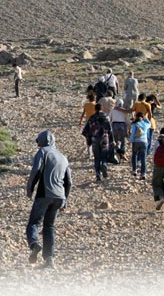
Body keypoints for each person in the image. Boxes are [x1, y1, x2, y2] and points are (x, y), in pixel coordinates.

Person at [25, 130, 72, 268]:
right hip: (59, 196)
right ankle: (49, 260)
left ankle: (34, 245)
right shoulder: (63, 157)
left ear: (41, 141)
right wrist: (65, 200)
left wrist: (30, 188)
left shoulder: (43, 152)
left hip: (45, 193)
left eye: (37, 141)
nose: (37, 144)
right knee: (49, 226)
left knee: (33, 223)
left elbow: (36, 170)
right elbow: (69, 182)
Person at [82, 103, 114, 182]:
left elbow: (86, 131)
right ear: (101, 108)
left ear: (95, 109)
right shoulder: (106, 117)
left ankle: (98, 176)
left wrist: (89, 140)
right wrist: (112, 140)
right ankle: (104, 165)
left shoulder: (92, 118)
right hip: (104, 138)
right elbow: (110, 130)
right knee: (104, 156)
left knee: (97, 158)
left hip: (95, 139)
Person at [129, 111, 150, 179]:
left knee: (134, 155)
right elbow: (149, 123)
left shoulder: (135, 124)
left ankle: (134, 170)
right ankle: (143, 173)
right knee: (143, 158)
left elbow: (133, 134)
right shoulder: (146, 124)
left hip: (136, 142)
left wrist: (131, 140)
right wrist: (145, 117)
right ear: (142, 117)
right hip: (144, 142)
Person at [79, 94, 97, 159]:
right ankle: (95, 152)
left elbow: (83, 113)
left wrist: (80, 121)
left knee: (88, 137)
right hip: (94, 122)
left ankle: (89, 153)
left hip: (87, 122)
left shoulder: (86, 105)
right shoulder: (95, 105)